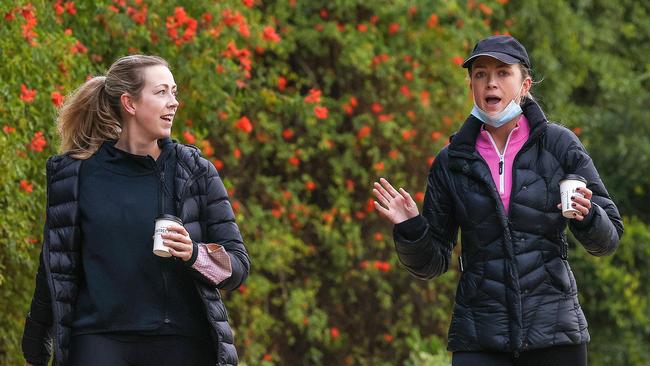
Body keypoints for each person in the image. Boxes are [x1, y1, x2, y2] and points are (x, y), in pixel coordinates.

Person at [373, 35, 623, 366]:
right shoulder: (451, 161)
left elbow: (608, 239)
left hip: (556, 333)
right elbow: (430, 264)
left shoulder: (560, 145)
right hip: (479, 336)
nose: (491, 82)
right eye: (480, 74)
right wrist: (411, 228)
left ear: (525, 84)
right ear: (472, 85)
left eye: (503, 72)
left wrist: (589, 216)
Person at [21, 55, 250, 366]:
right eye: (161, 92)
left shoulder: (195, 172)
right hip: (97, 339)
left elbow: (236, 267)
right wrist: (36, 337)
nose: (174, 103)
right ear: (129, 103)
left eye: (174, 92)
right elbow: (56, 261)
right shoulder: (74, 175)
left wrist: (194, 253)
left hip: (182, 341)